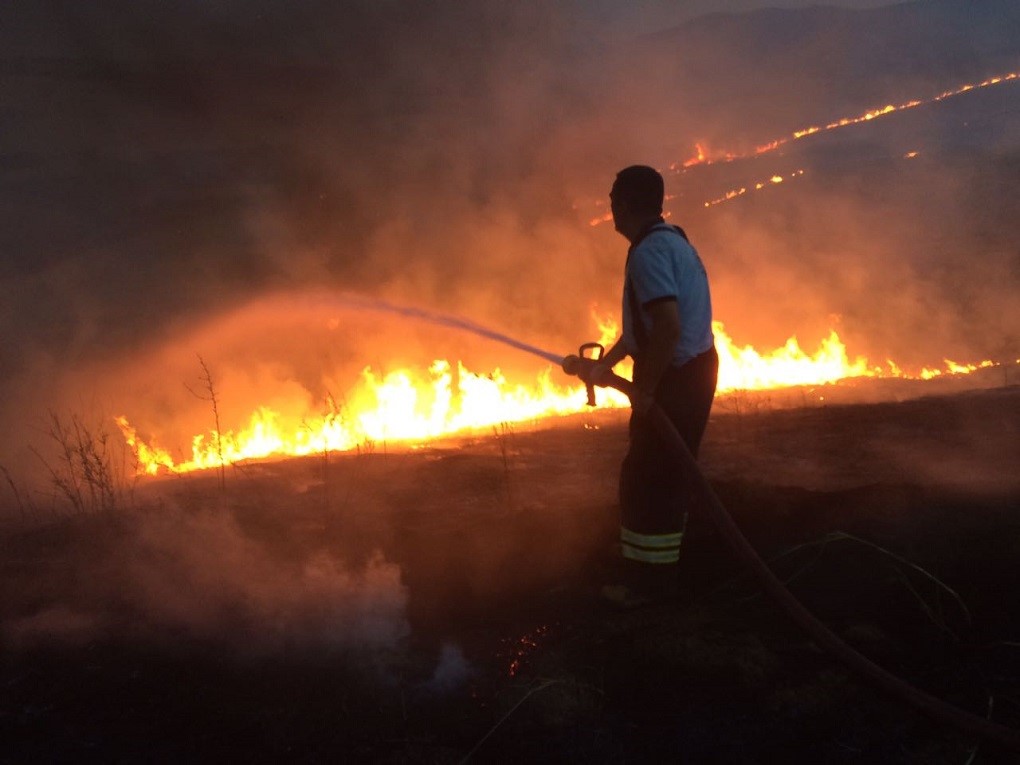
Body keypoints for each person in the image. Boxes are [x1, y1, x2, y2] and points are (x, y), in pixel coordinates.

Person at [585, 165, 719, 608]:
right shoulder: (669, 240)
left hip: (677, 378)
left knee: (647, 479)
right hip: (692, 370)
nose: (609, 208)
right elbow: (645, 328)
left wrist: (645, 391)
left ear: (623, 204)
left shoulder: (648, 254)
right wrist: (607, 364)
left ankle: (647, 587)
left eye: (612, 199)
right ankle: (657, 568)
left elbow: (666, 328)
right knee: (660, 474)